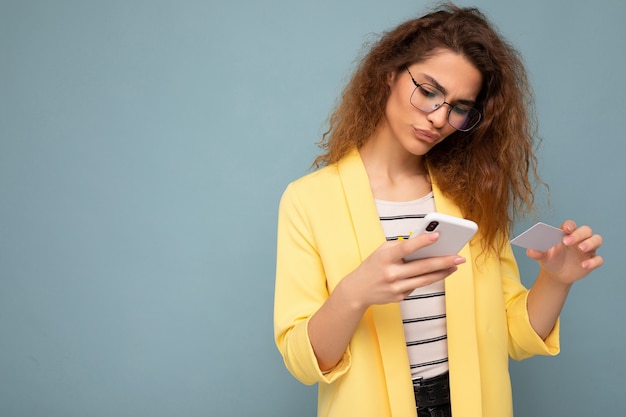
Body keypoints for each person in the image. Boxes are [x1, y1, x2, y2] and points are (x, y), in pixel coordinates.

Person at [273, 4, 603, 417]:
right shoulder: (309, 200)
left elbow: (511, 336)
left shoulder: (470, 197)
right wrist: (355, 293)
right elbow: (303, 362)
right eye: (428, 91)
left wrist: (556, 280)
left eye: (459, 107)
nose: (439, 118)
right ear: (389, 74)